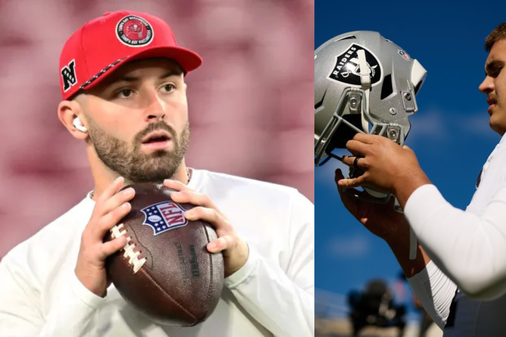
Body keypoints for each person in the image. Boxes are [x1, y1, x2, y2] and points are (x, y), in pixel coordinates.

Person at [0, 11, 314, 337]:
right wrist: (80, 296)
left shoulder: (285, 211)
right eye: (125, 91)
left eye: (168, 86)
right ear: (75, 119)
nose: (158, 107)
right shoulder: (28, 267)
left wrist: (247, 270)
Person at [334, 12, 506, 336]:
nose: (483, 84)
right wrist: (398, 231)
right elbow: (462, 312)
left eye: (496, 70)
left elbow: (480, 267)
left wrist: (405, 178)